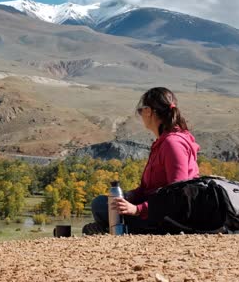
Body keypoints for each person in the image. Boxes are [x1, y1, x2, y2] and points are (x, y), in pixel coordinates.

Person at [83, 87, 200, 235]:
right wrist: (129, 196)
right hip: (154, 208)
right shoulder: (162, 142)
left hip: (168, 216)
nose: (141, 116)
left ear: (149, 111)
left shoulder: (173, 144)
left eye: (141, 111)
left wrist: (137, 210)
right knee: (102, 203)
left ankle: (114, 230)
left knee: (101, 206)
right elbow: (147, 188)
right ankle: (111, 228)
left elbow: (177, 196)